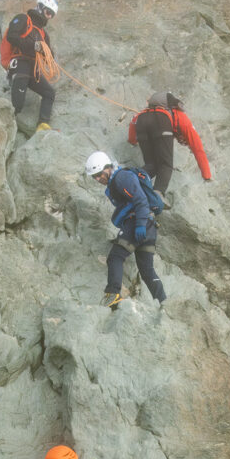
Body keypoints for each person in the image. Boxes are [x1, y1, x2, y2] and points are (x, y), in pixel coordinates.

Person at [85, 151, 167, 308]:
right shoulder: (116, 181)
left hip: (138, 224)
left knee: (115, 257)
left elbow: (140, 199)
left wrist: (140, 224)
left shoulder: (122, 177)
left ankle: (113, 295)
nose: (97, 179)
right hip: (149, 228)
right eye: (94, 176)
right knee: (147, 271)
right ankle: (163, 301)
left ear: (108, 167)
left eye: (99, 174)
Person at [128, 91, 212, 196]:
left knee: (151, 165)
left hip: (142, 122)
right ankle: (157, 196)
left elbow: (133, 123)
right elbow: (198, 149)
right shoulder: (183, 119)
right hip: (161, 121)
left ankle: (129, 179)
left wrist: (132, 141)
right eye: (183, 141)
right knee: (166, 165)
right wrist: (206, 175)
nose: (182, 142)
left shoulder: (144, 112)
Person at [3, 0, 58, 130]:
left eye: (52, 14)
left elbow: (49, 55)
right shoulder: (23, 19)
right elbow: (12, 36)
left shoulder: (43, 34)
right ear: (40, 7)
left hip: (33, 68)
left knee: (49, 93)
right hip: (20, 63)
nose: (49, 16)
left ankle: (43, 123)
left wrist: (44, 51)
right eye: (48, 12)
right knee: (18, 104)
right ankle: (6, 125)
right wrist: (33, 46)